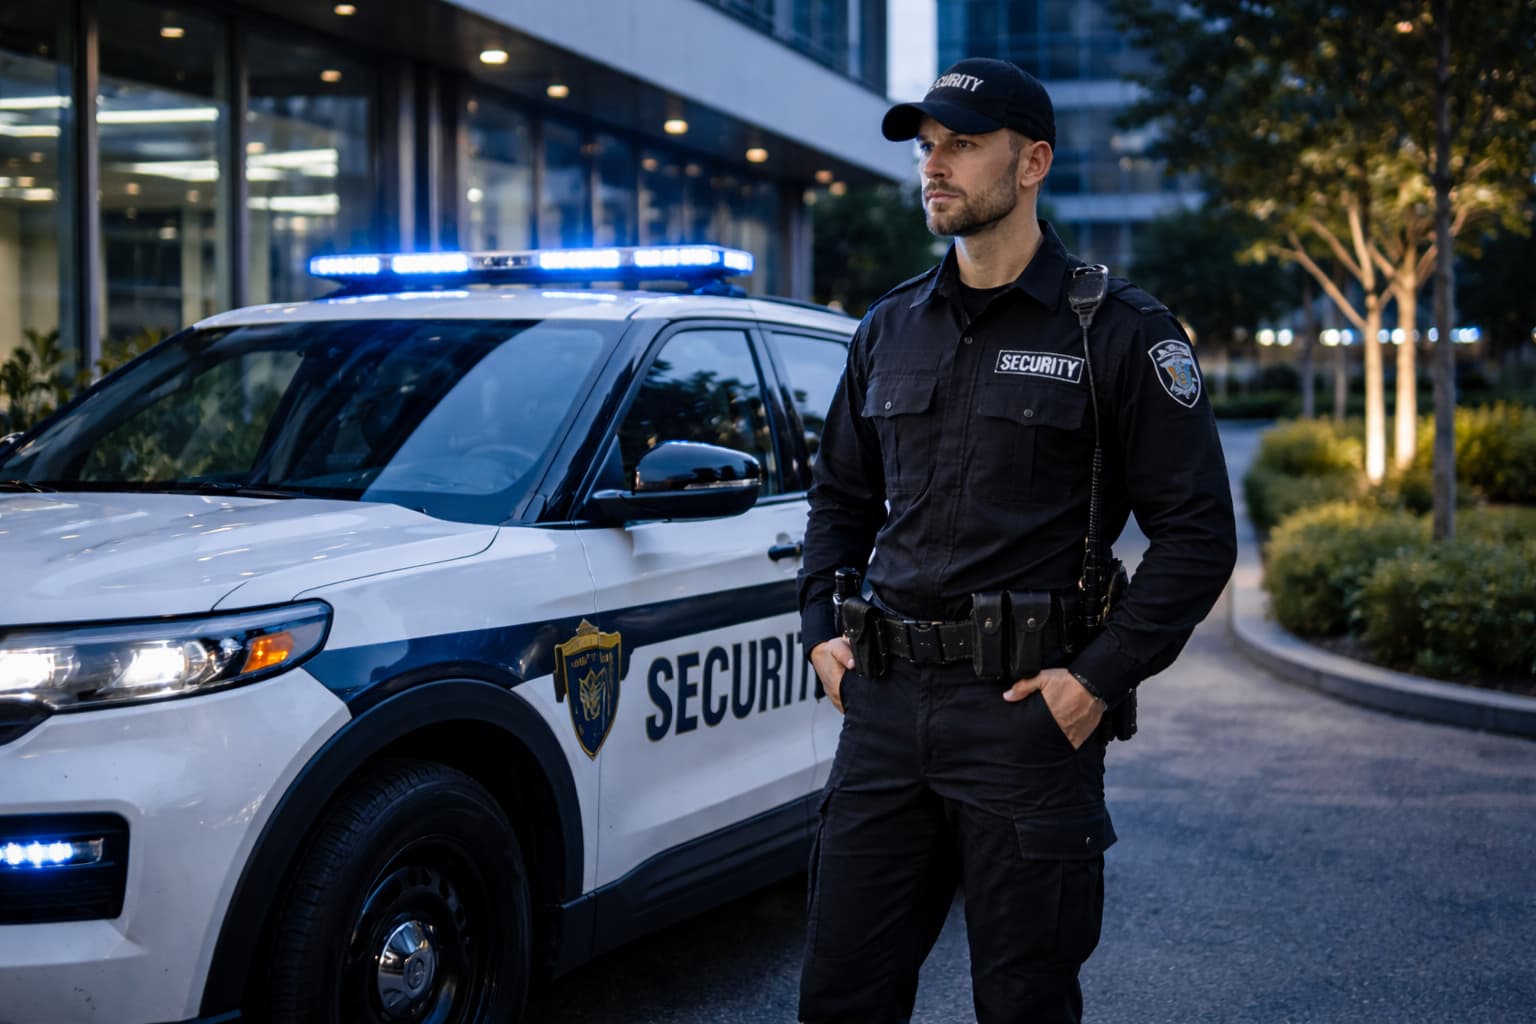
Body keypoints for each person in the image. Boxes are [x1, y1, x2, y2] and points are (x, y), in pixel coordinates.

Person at [796, 57, 1237, 1024]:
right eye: (927, 148)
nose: (935, 167)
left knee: (1024, 1004)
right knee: (839, 999)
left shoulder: (1119, 330)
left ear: (1032, 161)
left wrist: (1096, 681)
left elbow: (1199, 535)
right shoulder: (887, 329)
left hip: (1026, 722)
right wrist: (820, 627)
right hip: (881, 715)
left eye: (962, 145)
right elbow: (839, 498)